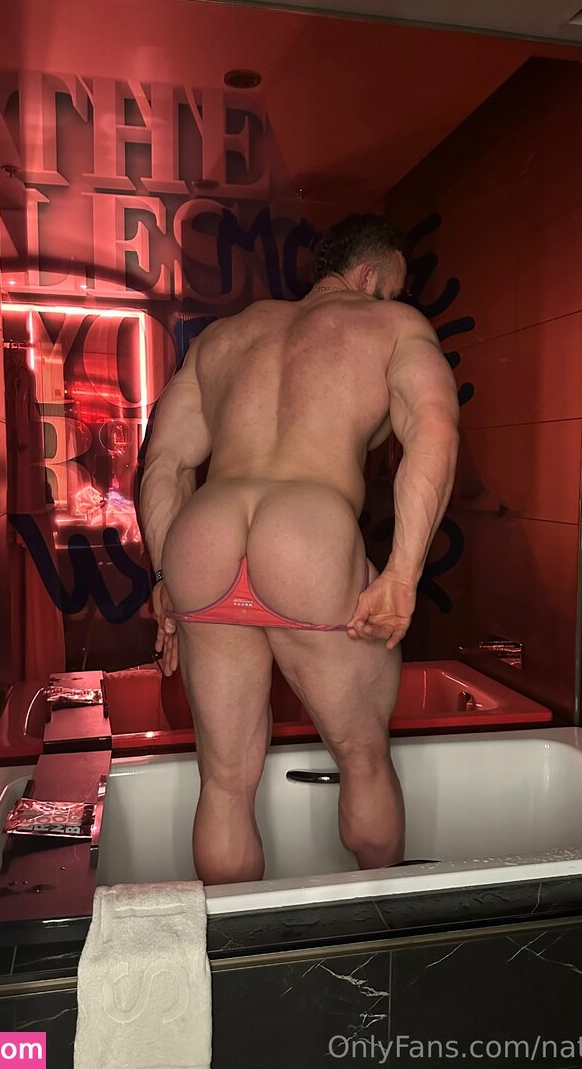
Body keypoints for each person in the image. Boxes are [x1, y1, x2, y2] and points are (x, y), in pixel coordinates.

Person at [139, 213, 459, 885]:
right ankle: (377, 930)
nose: (398, 300)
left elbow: (164, 463)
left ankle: (235, 942)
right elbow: (434, 431)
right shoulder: (394, 327)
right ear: (369, 275)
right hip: (306, 535)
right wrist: (402, 572)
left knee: (224, 782)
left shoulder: (225, 337)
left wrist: (166, 573)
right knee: (363, 758)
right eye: (395, 286)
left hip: (205, 533)